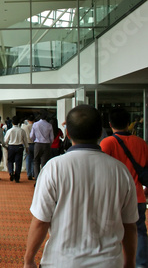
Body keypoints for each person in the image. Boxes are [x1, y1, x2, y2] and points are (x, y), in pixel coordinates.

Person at [24, 105, 138, 268]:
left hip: (61, 261)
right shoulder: (120, 170)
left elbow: (41, 221)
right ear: (100, 134)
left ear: (68, 134)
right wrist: (130, 263)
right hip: (109, 262)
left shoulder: (54, 167)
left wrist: (29, 260)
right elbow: (130, 225)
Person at [101, 107, 148, 268]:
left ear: (110, 124)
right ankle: (140, 264)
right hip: (137, 195)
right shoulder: (141, 143)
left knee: (111, 231)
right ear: (128, 124)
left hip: (115, 196)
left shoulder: (107, 143)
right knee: (139, 232)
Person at [4, 116, 28, 183]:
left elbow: (5, 140)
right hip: (19, 147)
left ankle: (11, 172)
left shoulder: (10, 130)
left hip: (11, 147)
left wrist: (5, 145)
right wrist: (27, 147)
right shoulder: (22, 131)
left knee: (10, 161)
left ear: (12, 122)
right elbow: (25, 140)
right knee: (18, 163)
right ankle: (17, 177)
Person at [30, 113, 54, 181]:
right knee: (44, 162)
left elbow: (31, 135)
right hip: (46, 144)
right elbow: (52, 137)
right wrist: (49, 144)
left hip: (38, 144)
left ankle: (37, 178)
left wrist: (34, 140)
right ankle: (43, 178)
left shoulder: (35, 124)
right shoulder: (49, 125)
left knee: (36, 161)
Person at [21, 114, 35, 180]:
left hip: (27, 144)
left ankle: (29, 173)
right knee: (34, 160)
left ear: (28, 120)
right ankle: (33, 173)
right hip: (35, 144)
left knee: (28, 159)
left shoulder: (25, 127)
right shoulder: (35, 126)